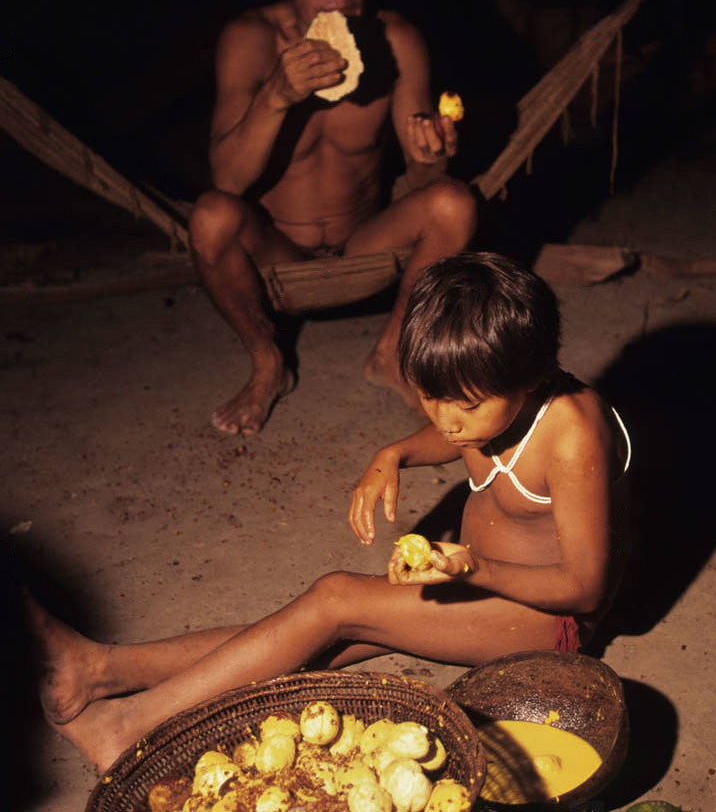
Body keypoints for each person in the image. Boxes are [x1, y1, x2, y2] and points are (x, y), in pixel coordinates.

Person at [27, 252, 631, 774]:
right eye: (430, 394)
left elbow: (584, 589)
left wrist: (472, 569)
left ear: (528, 377)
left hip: (545, 625)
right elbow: (456, 431)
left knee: (336, 600)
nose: (446, 420)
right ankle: (101, 671)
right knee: (303, 645)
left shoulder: (573, 433)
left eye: (464, 404)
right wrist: (395, 453)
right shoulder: (480, 406)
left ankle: (124, 727)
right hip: (480, 586)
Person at [190, 0, 477, 434]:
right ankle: (268, 365)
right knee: (210, 217)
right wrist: (276, 95)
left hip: (363, 244)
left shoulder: (397, 39)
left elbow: (425, 181)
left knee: (455, 201)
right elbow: (227, 182)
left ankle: (392, 354)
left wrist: (434, 150)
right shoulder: (250, 37)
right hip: (276, 250)